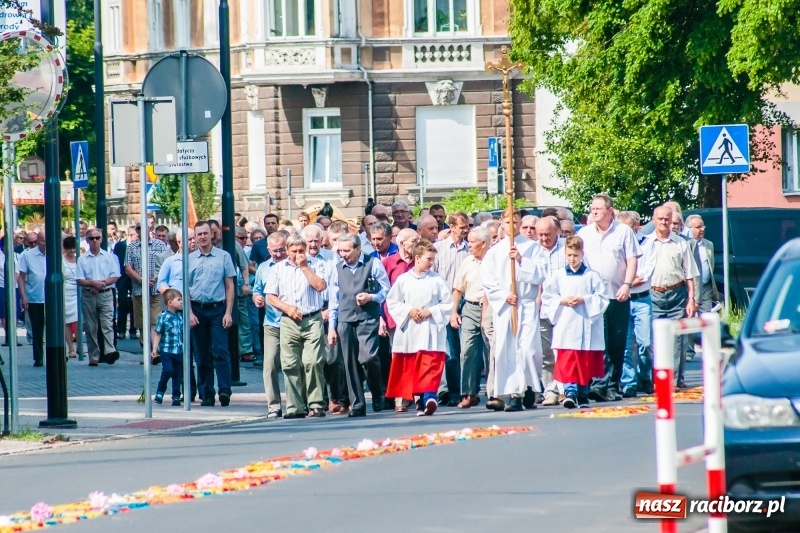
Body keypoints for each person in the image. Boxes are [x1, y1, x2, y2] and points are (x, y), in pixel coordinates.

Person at [481, 210, 547, 411]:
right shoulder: (494, 251)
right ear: (502, 223)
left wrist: (521, 260)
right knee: (508, 350)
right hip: (506, 306)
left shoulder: (533, 247)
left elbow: (540, 274)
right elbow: (488, 280)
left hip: (526, 304)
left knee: (527, 350)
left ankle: (529, 387)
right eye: (508, 222)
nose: (512, 225)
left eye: (516, 222)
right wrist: (504, 295)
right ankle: (513, 393)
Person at [577, 194, 640, 402]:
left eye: (599, 208)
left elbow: (632, 260)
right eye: (592, 208)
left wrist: (627, 285)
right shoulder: (585, 233)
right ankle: (599, 384)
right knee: (599, 341)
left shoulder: (623, 231)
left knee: (616, 343)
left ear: (610, 211)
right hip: (595, 297)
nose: (594, 212)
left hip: (617, 295)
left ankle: (613, 385)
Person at [386, 239, 453, 416]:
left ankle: (430, 396)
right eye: (428, 259)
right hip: (411, 329)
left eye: (433, 259)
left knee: (430, 364)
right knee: (414, 366)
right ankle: (421, 402)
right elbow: (392, 302)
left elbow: (448, 303)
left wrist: (431, 311)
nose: (431, 263)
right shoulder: (403, 280)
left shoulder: (437, 280)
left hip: (430, 329)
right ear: (417, 258)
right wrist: (408, 311)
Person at [541, 236, 609, 408]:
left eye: (576, 255)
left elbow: (602, 298)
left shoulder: (591, 275)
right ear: (565, 254)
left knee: (584, 360)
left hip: (585, 323)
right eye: (569, 255)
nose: (572, 259)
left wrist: (584, 299)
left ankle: (583, 392)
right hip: (566, 323)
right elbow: (548, 297)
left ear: (582, 254)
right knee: (568, 360)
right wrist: (562, 301)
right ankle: (570, 392)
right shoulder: (559, 276)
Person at [328, 232, 391, 417]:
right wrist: (332, 326)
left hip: (368, 317)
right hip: (345, 318)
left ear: (358, 249)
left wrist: (371, 297)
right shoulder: (337, 268)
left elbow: (386, 289)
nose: (343, 255)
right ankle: (357, 404)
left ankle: (378, 392)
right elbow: (333, 300)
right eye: (340, 251)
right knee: (350, 362)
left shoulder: (373, 263)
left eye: (347, 251)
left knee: (368, 357)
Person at [266, 234, 328, 418]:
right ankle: (295, 407)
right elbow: (270, 297)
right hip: (289, 320)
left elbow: (320, 286)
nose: (298, 254)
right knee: (290, 364)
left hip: (312, 318)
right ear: (287, 251)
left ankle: (316, 404)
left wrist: (304, 267)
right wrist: (287, 308)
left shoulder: (316, 264)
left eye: (301, 250)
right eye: (294, 251)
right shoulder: (278, 269)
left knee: (313, 361)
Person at [645, 206, 698, 389]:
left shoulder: (680, 243)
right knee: (653, 339)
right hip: (653, 294)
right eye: (660, 218)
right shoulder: (646, 243)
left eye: (667, 219)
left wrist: (691, 299)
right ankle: (656, 379)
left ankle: (673, 380)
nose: (663, 222)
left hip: (677, 293)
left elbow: (690, 273)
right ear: (654, 219)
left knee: (676, 339)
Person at [188, 221, 237, 407]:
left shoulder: (223, 256)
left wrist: (228, 313)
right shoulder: (189, 259)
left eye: (205, 233)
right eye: (199, 234)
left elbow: (229, 285)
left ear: (211, 234)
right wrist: (190, 313)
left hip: (218, 309)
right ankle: (206, 393)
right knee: (201, 355)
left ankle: (224, 390)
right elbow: (185, 288)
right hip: (197, 309)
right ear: (195, 237)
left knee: (220, 351)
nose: (202, 237)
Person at [450, 226, 491, 408]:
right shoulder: (467, 262)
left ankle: (493, 391)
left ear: (483, 243)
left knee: (490, 351)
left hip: (490, 309)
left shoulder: (493, 260)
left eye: (473, 242)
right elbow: (457, 289)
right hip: (470, 308)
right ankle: (468, 393)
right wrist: (453, 312)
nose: (469, 245)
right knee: (467, 351)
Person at [617, 211, 656, 396]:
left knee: (645, 342)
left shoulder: (647, 242)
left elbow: (646, 272)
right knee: (626, 345)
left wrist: (628, 282)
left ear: (635, 227)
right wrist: (628, 282)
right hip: (623, 299)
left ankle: (644, 376)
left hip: (641, 299)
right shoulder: (617, 243)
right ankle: (629, 382)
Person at [433, 211, 470, 405]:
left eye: (467, 226)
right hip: (445, 303)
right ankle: (451, 391)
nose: (465, 230)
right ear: (452, 227)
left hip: (466, 302)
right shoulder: (438, 249)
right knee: (450, 350)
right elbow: (432, 275)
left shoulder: (470, 248)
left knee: (465, 349)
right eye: (462, 227)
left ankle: (465, 389)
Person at [252, 231, 289, 419]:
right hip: (272, 322)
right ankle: (274, 405)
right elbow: (257, 289)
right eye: (275, 251)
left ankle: (296, 403)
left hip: (292, 321)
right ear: (268, 250)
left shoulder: (293, 266)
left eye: (282, 249)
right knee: (270, 365)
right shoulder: (263, 268)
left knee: (292, 365)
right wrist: (257, 298)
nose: (278, 254)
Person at [533, 217, 567, 406]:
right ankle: (550, 390)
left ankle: (565, 388)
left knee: (564, 351)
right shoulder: (533, 251)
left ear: (557, 232)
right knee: (546, 353)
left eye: (547, 234)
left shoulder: (566, 248)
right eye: (540, 235)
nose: (544, 239)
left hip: (564, 308)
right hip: (543, 309)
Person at [76, 227, 122, 366]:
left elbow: (115, 276)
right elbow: (79, 279)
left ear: (101, 239)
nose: (95, 241)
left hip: (105, 293)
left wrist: (101, 284)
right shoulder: (82, 259)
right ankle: (94, 356)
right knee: (91, 326)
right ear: (87, 240)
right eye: (92, 238)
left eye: (97, 238)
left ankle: (110, 351)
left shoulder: (109, 257)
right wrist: (92, 284)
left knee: (107, 323)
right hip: (88, 295)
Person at [124, 223, 168, 348]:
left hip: (156, 289)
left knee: (155, 321)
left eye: (144, 227)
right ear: (136, 230)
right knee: (142, 322)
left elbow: (166, 264)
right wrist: (142, 280)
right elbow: (128, 268)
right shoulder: (131, 247)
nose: (141, 230)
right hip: (139, 290)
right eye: (138, 227)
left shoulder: (160, 245)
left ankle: (154, 349)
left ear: (150, 229)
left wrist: (156, 277)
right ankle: (146, 348)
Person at [685, 214, 719, 360]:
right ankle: (689, 351)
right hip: (692, 288)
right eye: (698, 227)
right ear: (689, 229)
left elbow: (710, 265)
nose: (702, 229)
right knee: (690, 319)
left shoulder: (708, 244)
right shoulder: (686, 245)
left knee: (707, 319)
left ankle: (709, 350)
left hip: (706, 287)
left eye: (703, 226)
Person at [17, 230, 46, 366]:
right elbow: (21, 277)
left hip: (52, 299)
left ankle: (57, 354)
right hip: (35, 297)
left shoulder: (55, 253)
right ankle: (38, 357)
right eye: (42, 241)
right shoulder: (28, 255)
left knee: (55, 328)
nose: (45, 243)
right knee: (37, 329)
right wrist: (23, 297)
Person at [151, 289, 185, 406]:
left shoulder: (181, 316)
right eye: (179, 300)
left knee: (177, 374)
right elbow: (158, 333)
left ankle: (176, 396)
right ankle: (160, 391)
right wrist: (155, 349)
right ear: (170, 302)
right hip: (166, 350)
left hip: (179, 350)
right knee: (168, 370)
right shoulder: (163, 317)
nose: (181, 302)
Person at [114, 227, 136, 339]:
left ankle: (133, 330)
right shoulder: (119, 246)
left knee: (134, 304)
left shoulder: (139, 246)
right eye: (136, 235)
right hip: (122, 278)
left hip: (135, 278)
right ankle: (121, 329)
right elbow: (116, 261)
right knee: (122, 303)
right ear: (130, 235)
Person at [61, 236, 79, 358]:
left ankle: (79, 347)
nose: (71, 250)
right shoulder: (61, 261)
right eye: (69, 248)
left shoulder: (80, 260)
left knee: (78, 321)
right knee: (67, 321)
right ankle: (71, 349)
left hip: (79, 292)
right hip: (66, 293)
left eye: (73, 248)